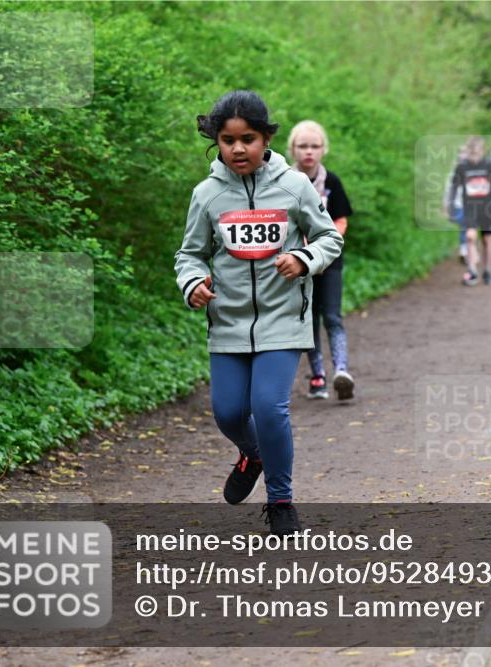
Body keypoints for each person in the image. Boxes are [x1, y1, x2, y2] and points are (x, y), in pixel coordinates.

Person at [175, 91, 343, 536]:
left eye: (248, 138)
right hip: (228, 322)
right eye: (228, 140)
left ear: (267, 137)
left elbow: (329, 238)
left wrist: (304, 258)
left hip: (283, 319)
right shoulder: (207, 194)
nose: (238, 149)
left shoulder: (294, 186)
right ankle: (255, 454)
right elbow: (190, 254)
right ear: (217, 142)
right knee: (229, 413)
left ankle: (281, 500)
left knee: (269, 409)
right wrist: (193, 282)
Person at [287, 120, 355, 402]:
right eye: (303, 146)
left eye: (314, 146)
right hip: (297, 263)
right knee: (309, 319)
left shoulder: (332, 182)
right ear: (292, 149)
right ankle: (317, 376)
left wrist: (323, 245)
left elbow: (340, 220)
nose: (309, 152)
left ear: (323, 149)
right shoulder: (283, 182)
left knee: (332, 316)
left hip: (329, 261)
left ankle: (341, 370)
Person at [447, 136, 491, 286]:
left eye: (477, 151)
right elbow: (453, 187)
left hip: (486, 207)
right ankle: (472, 270)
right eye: (471, 152)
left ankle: (487, 270)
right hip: (469, 207)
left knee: (486, 240)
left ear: (483, 151)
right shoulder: (462, 166)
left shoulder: (489, 165)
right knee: (470, 237)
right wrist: (450, 206)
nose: (474, 155)